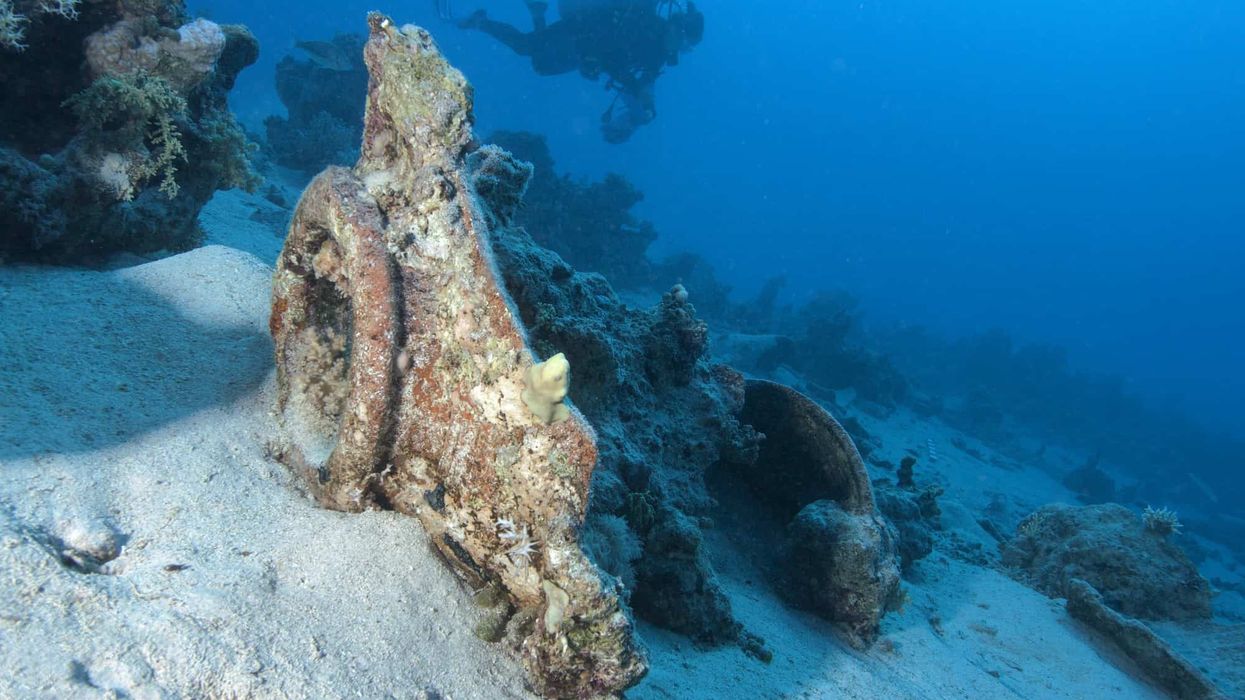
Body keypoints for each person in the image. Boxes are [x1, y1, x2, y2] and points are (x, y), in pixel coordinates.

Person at [459, 1, 703, 142]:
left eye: (688, 49)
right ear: (676, 29)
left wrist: (644, 111)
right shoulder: (643, 24)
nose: (682, 51)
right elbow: (609, 46)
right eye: (685, 44)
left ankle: (537, 11)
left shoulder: (659, 53)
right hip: (581, 30)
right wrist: (591, 58)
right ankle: (481, 22)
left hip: (587, 53)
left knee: (540, 66)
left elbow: (644, 80)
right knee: (527, 47)